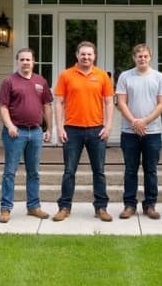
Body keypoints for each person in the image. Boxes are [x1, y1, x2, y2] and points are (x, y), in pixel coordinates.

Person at [53, 41, 115, 222]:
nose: (86, 57)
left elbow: (109, 102)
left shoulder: (102, 75)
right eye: (83, 54)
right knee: (69, 171)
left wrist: (108, 125)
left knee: (99, 171)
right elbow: (58, 102)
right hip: (72, 130)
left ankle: (101, 208)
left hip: (97, 130)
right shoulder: (66, 75)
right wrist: (59, 126)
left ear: (94, 56)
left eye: (89, 54)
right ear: (77, 55)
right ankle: (64, 207)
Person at [0, 47, 53, 223]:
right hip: (15, 132)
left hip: (36, 131)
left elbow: (46, 106)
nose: (25, 62)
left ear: (33, 62)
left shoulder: (41, 81)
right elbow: (3, 107)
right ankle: (6, 209)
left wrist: (49, 128)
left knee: (34, 172)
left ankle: (34, 207)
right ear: (17, 61)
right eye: (22, 59)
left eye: (28, 59)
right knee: (10, 172)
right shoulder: (9, 81)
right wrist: (10, 125)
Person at [115, 43, 162, 220]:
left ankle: (150, 205)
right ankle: (129, 205)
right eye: (139, 56)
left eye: (145, 56)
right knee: (130, 169)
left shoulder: (159, 77)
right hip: (129, 131)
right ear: (134, 58)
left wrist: (144, 121)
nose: (142, 59)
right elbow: (121, 102)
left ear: (150, 57)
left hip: (152, 131)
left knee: (150, 169)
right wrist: (134, 121)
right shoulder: (125, 76)